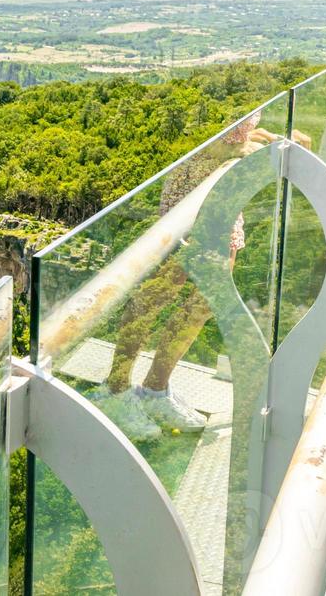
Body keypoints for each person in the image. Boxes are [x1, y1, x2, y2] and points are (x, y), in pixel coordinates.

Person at [89, 112, 275, 439]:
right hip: (193, 187)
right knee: (160, 292)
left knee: (204, 301)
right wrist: (238, 151)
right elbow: (198, 130)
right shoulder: (220, 68)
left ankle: (155, 389)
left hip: (224, 191)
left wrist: (254, 135)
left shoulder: (251, 68)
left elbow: (234, 123)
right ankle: (115, 391)